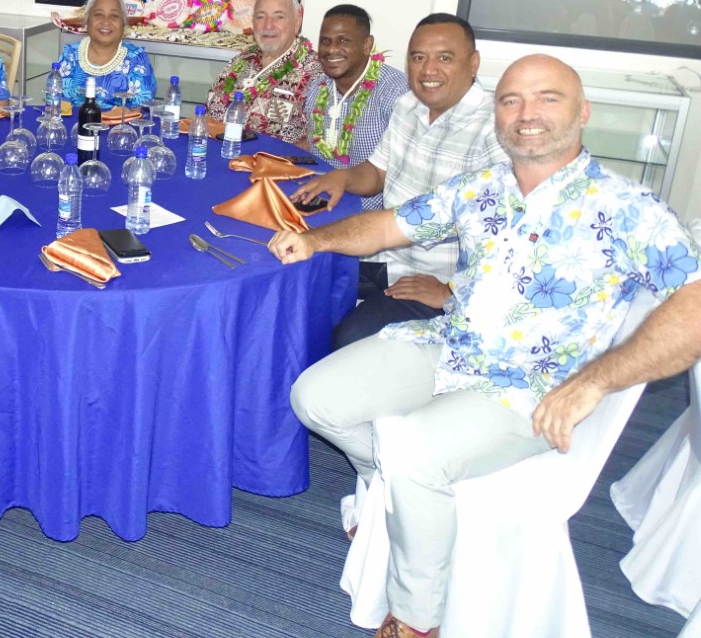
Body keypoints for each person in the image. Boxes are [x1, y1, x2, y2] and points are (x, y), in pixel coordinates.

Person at [278, 54, 701, 638]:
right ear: (497, 115)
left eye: (547, 98)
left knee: (415, 449)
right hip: (449, 344)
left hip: (533, 387)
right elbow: (389, 225)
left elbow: (695, 304)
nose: (526, 113)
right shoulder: (482, 188)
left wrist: (597, 381)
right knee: (315, 396)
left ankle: (416, 617)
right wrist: (315, 240)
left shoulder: (630, 210)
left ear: (583, 113)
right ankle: (386, 489)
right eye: (510, 100)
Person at [291, 14, 507, 350]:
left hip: (432, 281)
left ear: (474, 63)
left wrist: (449, 292)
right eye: (419, 58)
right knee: (301, 287)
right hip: (384, 258)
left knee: (348, 341)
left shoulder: (495, 130)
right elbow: (377, 174)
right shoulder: (408, 105)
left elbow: (511, 238)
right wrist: (343, 178)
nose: (428, 70)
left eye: (445, 58)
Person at [299, 5, 407, 210]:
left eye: (343, 41)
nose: (331, 50)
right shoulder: (317, 87)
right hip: (317, 201)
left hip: (369, 215)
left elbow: (400, 172)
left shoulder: (395, 93)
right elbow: (313, 144)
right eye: (325, 41)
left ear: (367, 45)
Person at [205, 0, 321, 142]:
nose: (268, 25)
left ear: (297, 20)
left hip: (273, 163)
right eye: (260, 17)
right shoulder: (239, 61)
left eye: (279, 17)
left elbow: (317, 142)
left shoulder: (315, 71)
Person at [57, 0, 156, 109]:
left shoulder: (137, 58)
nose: (106, 22)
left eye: (114, 16)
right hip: (74, 126)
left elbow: (142, 107)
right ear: (87, 21)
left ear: (124, 24)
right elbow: (55, 103)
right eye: (98, 15)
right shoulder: (70, 55)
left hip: (120, 127)